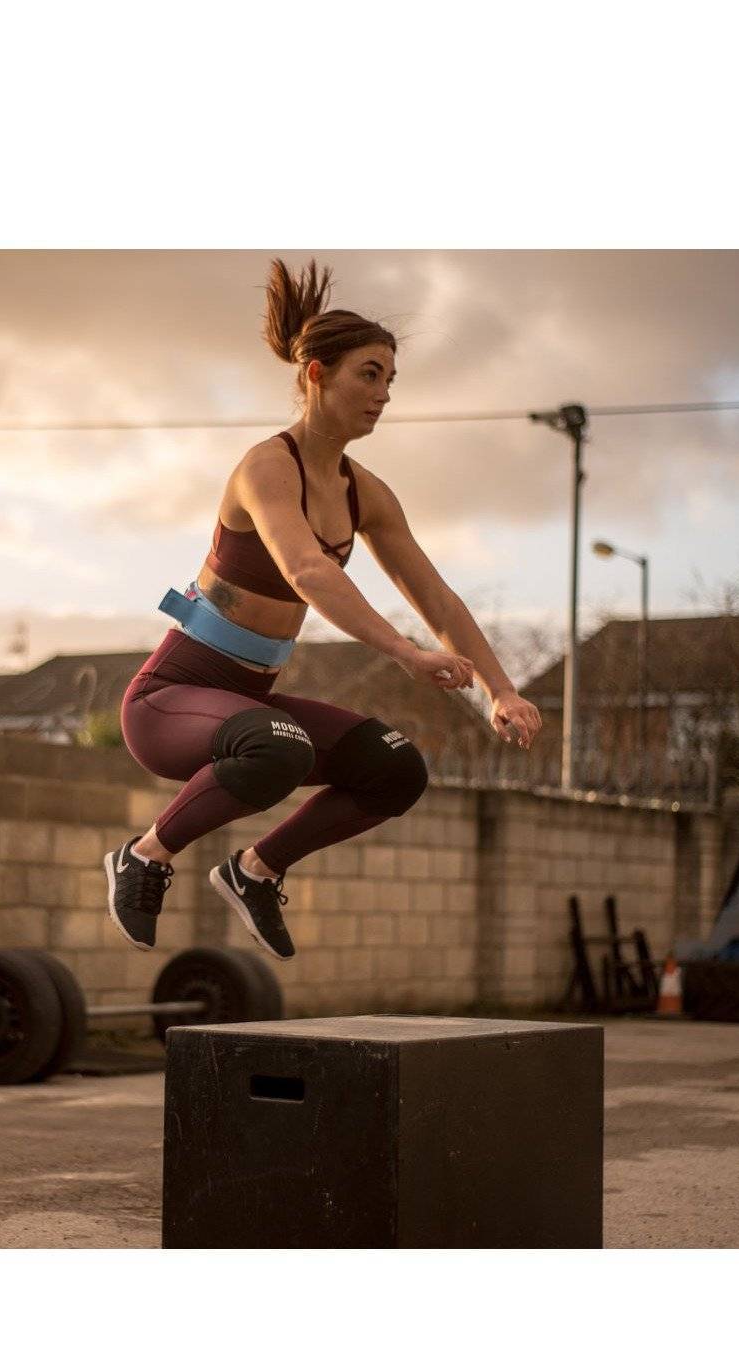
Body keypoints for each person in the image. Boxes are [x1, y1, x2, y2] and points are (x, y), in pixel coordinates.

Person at [105, 258, 541, 960]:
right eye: (369, 375)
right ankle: (145, 855)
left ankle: (256, 871)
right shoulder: (266, 467)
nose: (383, 395)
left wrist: (502, 689)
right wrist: (405, 652)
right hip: (171, 700)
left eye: (390, 381)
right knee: (278, 742)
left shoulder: (366, 491)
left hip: (248, 705)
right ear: (316, 374)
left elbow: (437, 597)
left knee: (396, 768)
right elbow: (308, 570)